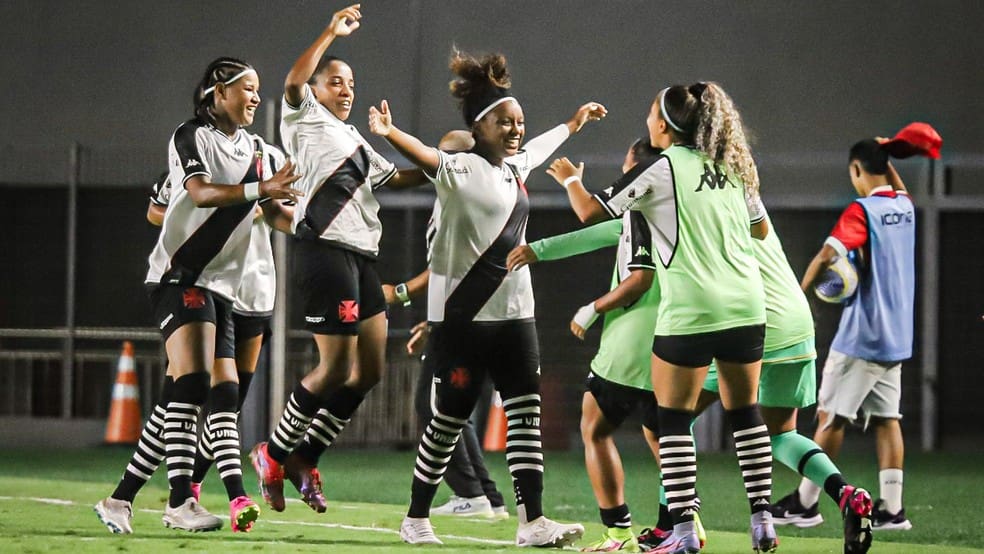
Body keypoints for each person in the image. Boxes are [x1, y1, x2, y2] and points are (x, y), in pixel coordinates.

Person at [367, 48, 606, 546]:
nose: (516, 129)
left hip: (516, 315)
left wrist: (573, 123)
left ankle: (533, 523)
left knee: (524, 415)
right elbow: (426, 156)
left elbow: (540, 146)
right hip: (463, 319)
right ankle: (416, 517)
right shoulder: (459, 170)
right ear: (480, 127)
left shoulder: (515, 167)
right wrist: (390, 134)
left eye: (519, 121)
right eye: (505, 122)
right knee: (448, 420)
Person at [551, 82, 776, 554]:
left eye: (651, 111)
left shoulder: (659, 168)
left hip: (692, 309)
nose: (647, 119)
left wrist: (572, 180)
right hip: (747, 306)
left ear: (664, 125)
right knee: (746, 413)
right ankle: (762, 521)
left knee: (671, 420)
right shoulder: (732, 167)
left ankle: (682, 536)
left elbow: (592, 211)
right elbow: (760, 229)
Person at [98, 56, 301, 535]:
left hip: (225, 288)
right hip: (181, 275)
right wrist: (257, 191)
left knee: (209, 392)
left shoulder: (260, 150)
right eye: (247, 88)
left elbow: (276, 212)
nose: (255, 96)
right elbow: (200, 194)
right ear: (218, 90)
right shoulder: (189, 137)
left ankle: (121, 499)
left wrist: (318, 229)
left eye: (258, 89)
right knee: (192, 386)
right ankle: (182, 501)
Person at [249, 4, 427, 514]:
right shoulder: (304, 118)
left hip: (362, 258)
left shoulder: (357, 143)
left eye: (351, 83)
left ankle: (306, 455)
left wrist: (449, 167)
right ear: (317, 90)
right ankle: (273, 452)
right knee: (335, 368)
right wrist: (330, 32)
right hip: (323, 253)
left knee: (369, 370)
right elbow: (292, 80)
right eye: (336, 82)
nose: (346, 89)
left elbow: (403, 178)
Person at [507, 138, 673, 553]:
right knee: (665, 436)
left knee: (594, 426)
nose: (624, 173)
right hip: (680, 337)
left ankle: (618, 533)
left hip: (633, 339)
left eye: (627, 165)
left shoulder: (639, 208)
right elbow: (599, 235)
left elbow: (638, 274)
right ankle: (683, 524)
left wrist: (593, 308)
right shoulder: (681, 213)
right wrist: (538, 250)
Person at [692, 206, 873, 553]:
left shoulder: (695, 199)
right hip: (794, 322)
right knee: (781, 435)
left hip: (752, 320)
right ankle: (845, 495)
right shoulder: (747, 195)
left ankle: (679, 519)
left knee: (670, 418)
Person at [771, 139, 915, 532]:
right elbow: (900, 190)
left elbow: (826, 255)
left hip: (862, 337)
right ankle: (892, 510)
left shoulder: (862, 210)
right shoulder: (904, 208)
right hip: (897, 338)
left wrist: (798, 299)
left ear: (855, 170)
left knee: (830, 417)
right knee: (888, 419)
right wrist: (887, 157)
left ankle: (805, 503)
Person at [383, 131, 509, 520]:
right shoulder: (458, 199)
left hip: (471, 318)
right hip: (467, 315)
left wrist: (400, 293)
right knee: (456, 409)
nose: (437, 161)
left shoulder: (466, 199)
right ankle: (487, 497)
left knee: (435, 406)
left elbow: (452, 268)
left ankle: (473, 494)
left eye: (445, 154)